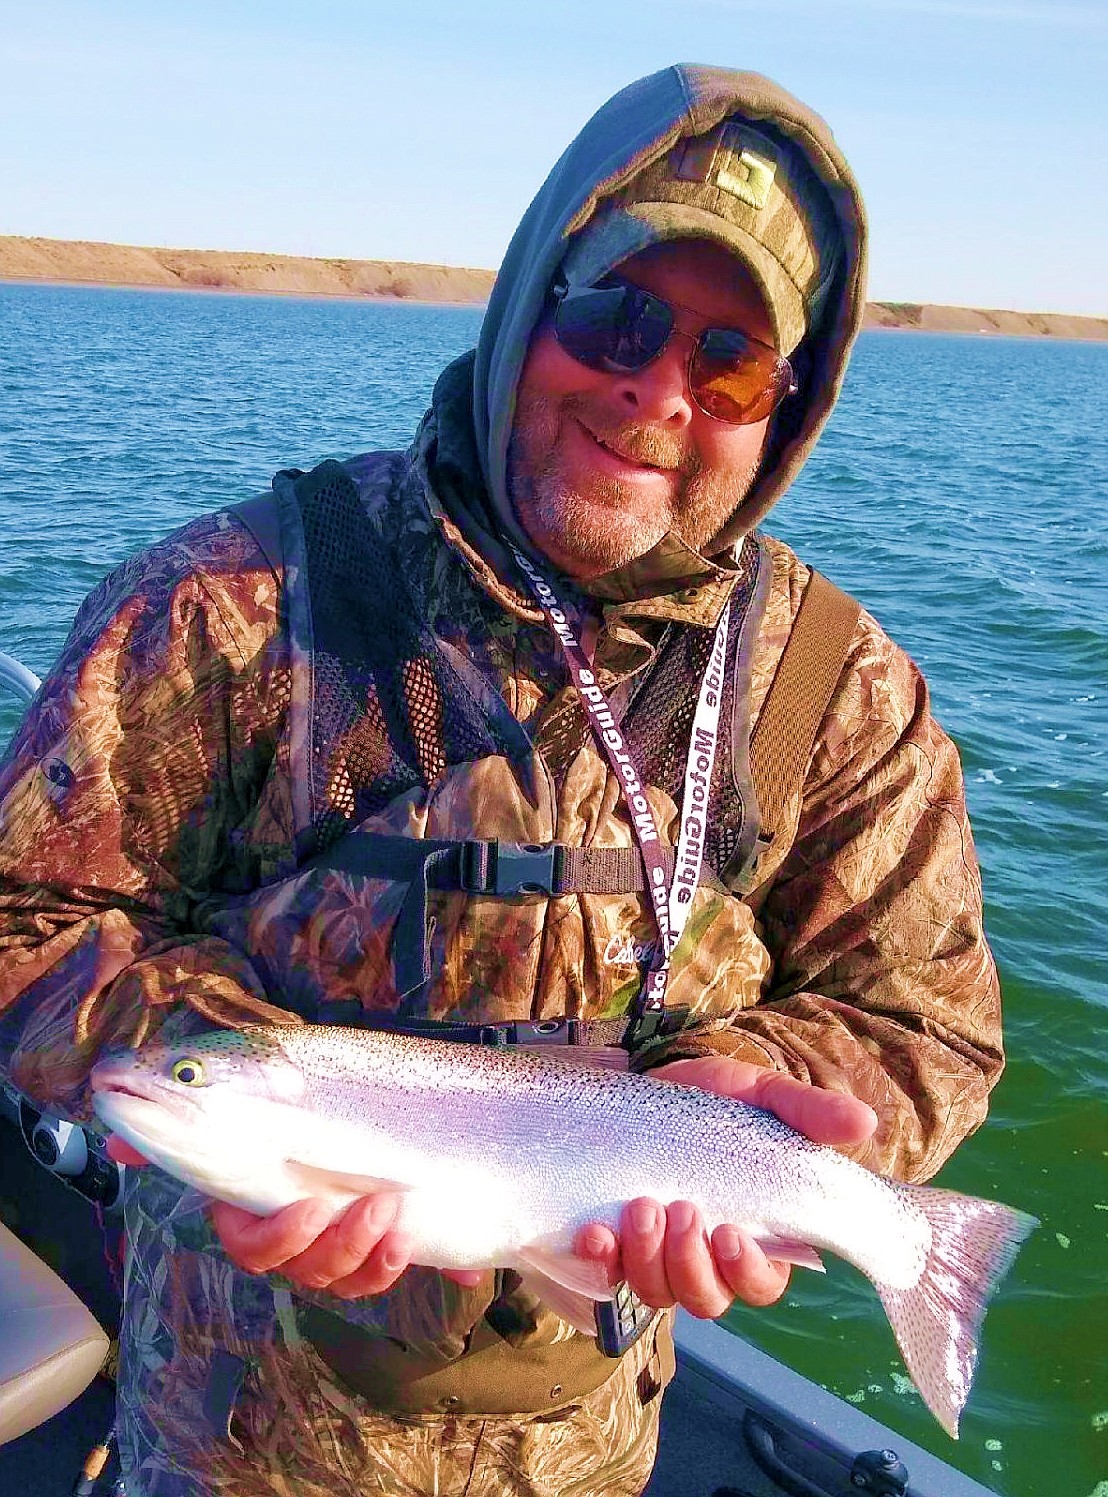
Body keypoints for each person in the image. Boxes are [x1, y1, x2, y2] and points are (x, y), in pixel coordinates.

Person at [0, 64, 1003, 1497]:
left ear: (786, 409)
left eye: (730, 363)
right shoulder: (233, 604)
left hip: (593, 1451)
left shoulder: (835, 692)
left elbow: (930, 1021)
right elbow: (21, 913)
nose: (657, 388)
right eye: (617, 316)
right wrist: (241, 1082)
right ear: (531, 299)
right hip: (229, 1438)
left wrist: (763, 1096)